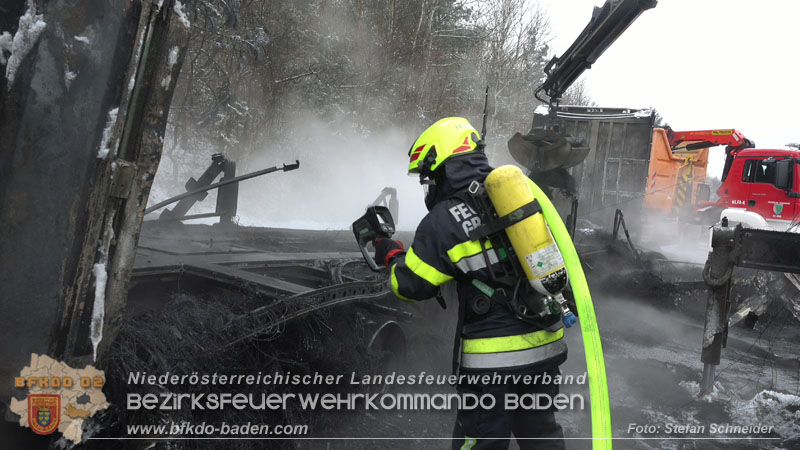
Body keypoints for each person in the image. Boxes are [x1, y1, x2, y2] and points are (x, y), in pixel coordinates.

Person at [373, 117, 569, 450]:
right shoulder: (522, 199)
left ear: (443, 167)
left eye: (428, 177)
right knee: (542, 437)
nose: (428, 187)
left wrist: (390, 254)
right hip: (545, 350)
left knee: (481, 443)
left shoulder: (443, 220)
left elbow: (410, 286)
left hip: (492, 367)